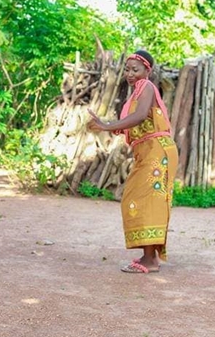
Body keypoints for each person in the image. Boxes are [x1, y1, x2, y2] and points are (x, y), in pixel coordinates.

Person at [87, 50, 178, 274]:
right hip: (148, 152)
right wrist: (104, 125)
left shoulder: (146, 87)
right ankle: (150, 255)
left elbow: (139, 116)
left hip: (157, 151)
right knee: (140, 199)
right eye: (127, 69)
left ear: (147, 71)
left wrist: (107, 125)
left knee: (146, 200)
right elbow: (132, 122)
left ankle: (150, 260)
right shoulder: (136, 95)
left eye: (135, 70)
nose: (130, 74)